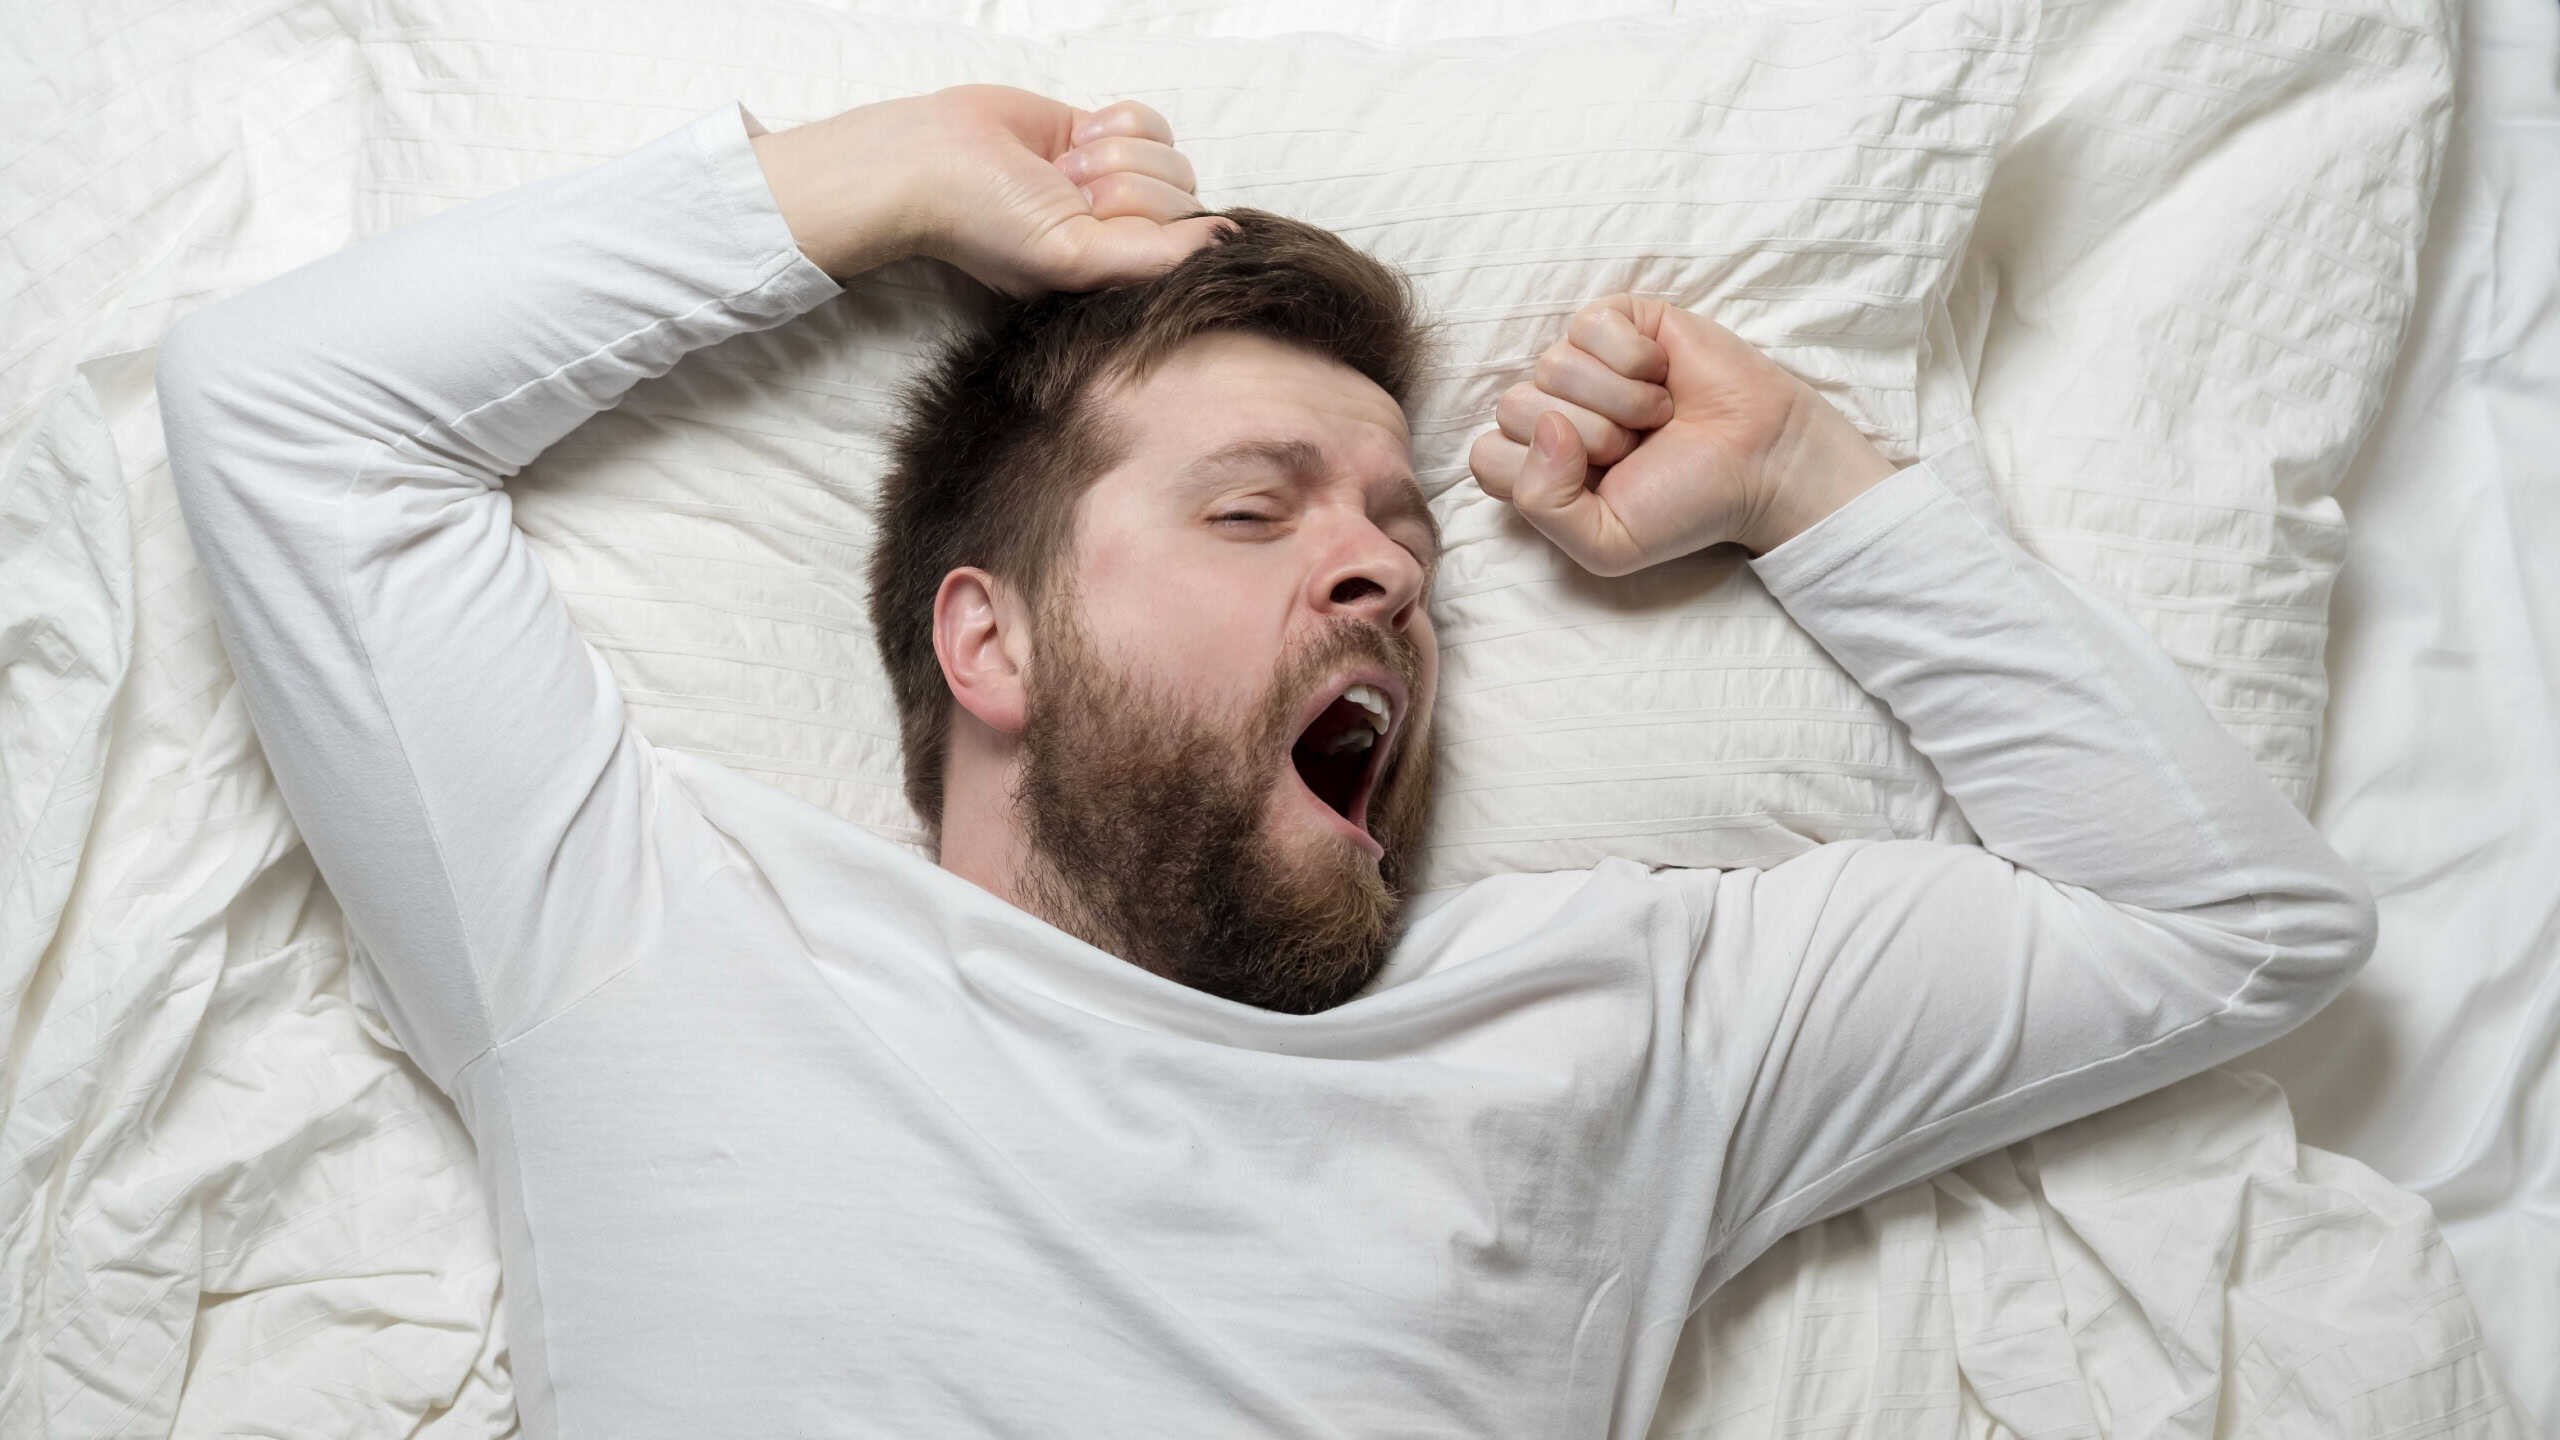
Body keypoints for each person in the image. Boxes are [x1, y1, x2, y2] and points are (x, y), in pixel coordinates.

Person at [158, 85, 2376, 1439]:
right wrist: (885, 178)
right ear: (989, 641)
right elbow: (284, 413)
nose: (1384, 573)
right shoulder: (642, 936)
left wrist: (1800, 475)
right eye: (1252, 511)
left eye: (1407, 535)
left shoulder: (1615, 1027)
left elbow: (2227, 925)